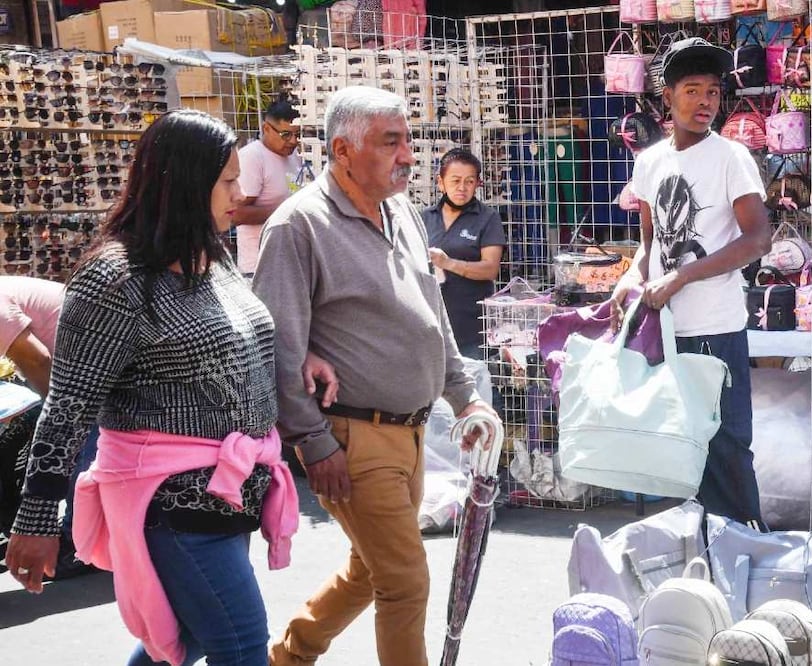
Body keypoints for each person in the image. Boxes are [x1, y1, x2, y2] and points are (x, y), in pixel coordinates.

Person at [5, 110, 301, 666]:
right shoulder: (114, 278)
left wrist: (306, 366)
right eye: (227, 181)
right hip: (172, 502)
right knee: (240, 645)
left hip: (229, 492)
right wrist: (38, 518)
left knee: (179, 642)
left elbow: (247, 343)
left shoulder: (211, 259)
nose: (239, 194)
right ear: (187, 184)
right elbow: (67, 406)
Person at [254, 85, 497, 666]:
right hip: (353, 438)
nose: (409, 156)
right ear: (343, 149)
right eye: (392, 142)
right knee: (405, 581)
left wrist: (464, 397)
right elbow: (278, 349)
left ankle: (287, 657)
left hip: (410, 435)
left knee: (371, 569)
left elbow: (431, 316)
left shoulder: (403, 213)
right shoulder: (298, 227)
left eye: (407, 140)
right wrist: (313, 443)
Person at [609, 38, 772, 529]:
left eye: (714, 93)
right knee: (685, 448)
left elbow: (759, 239)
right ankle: (703, 554)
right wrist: (630, 278)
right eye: (693, 91)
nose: (705, 103)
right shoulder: (649, 163)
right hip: (668, 332)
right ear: (668, 97)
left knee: (727, 446)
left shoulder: (731, 157)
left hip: (717, 327)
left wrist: (681, 276)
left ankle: (747, 547)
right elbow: (648, 244)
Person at [0, 276, 97, 579]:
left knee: (80, 451)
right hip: (81, 360)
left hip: (92, 364)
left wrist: (59, 419)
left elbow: (39, 360)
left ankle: (80, 547)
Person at [421, 148, 507, 358]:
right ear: (440, 182)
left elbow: (490, 269)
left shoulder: (487, 218)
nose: (462, 188)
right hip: (430, 323)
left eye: (469, 181)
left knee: (474, 385)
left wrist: (448, 263)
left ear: (478, 184)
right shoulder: (424, 218)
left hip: (472, 327)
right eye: (455, 180)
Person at [234, 100, 304, 277]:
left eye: (298, 134)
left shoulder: (293, 155)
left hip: (290, 263)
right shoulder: (252, 157)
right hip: (260, 268)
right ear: (266, 129)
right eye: (286, 135)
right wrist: (290, 211)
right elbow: (236, 214)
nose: (293, 141)